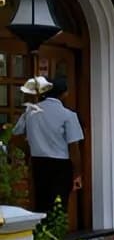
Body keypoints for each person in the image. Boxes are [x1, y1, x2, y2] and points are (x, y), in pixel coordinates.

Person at [13, 74, 84, 216]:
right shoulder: (68, 115)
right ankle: (56, 235)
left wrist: (29, 149)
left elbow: (16, 135)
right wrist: (77, 174)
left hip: (38, 162)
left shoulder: (30, 111)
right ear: (64, 93)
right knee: (58, 205)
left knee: (41, 203)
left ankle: (41, 235)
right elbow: (73, 147)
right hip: (60, 165)